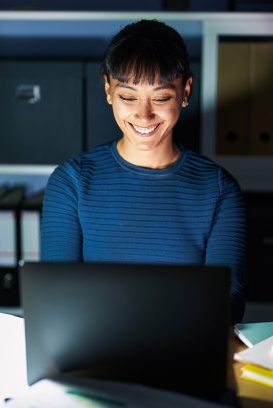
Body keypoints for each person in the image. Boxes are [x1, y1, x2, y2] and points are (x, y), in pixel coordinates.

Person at [40, 19, 246, 324]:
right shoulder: (71, 182)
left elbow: (228, 301)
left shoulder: (219, 190)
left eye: (161, 98)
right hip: (95, 348)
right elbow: (56, 296)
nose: (144, 115)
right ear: (108, 90)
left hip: (184, 349)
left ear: (185, 92)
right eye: (128, 97)